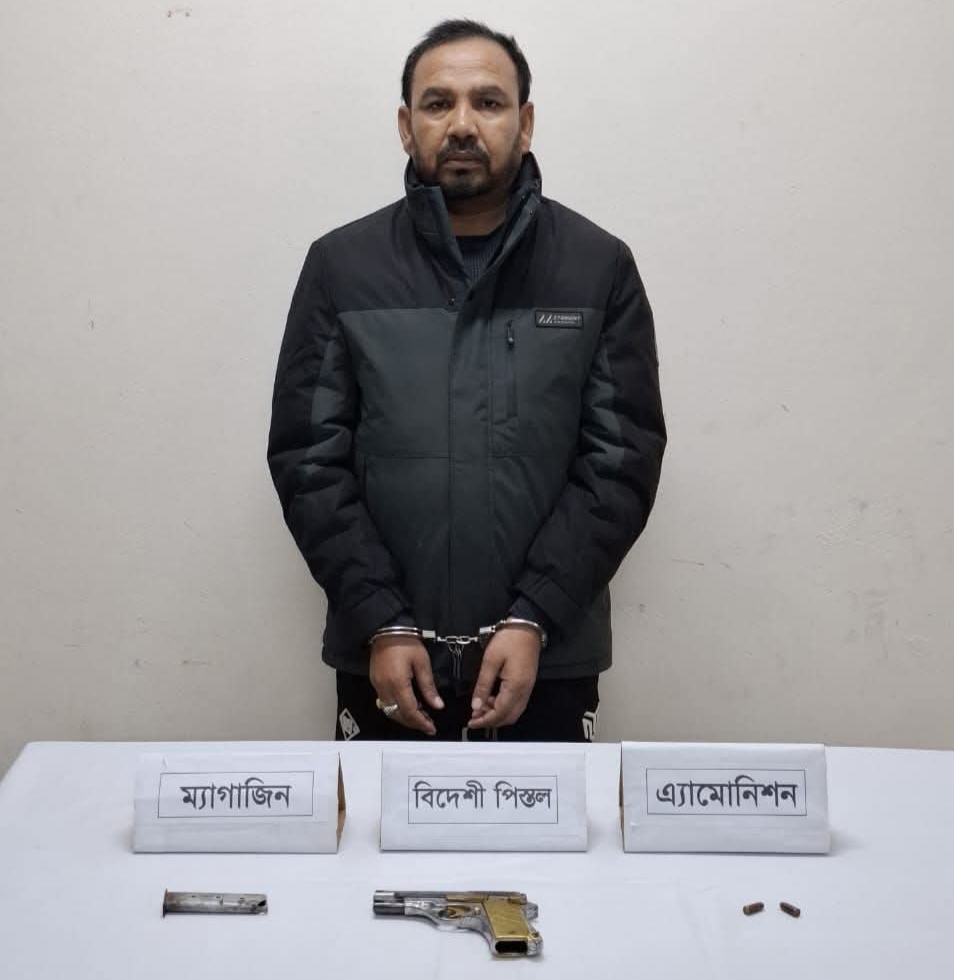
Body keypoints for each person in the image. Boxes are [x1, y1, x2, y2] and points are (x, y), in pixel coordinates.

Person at [267, 19, 666, 743]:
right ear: (405, 125)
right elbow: (307, 461)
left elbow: (621, 462)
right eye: (437, 103)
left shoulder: (597, 266)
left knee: (545, 828)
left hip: (547, 662)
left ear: (525, 122)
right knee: (378, 826)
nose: (461, 124)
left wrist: (535, 615)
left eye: (488, 102)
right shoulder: (341, 267)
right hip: (386, 666)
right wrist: (381, 621)